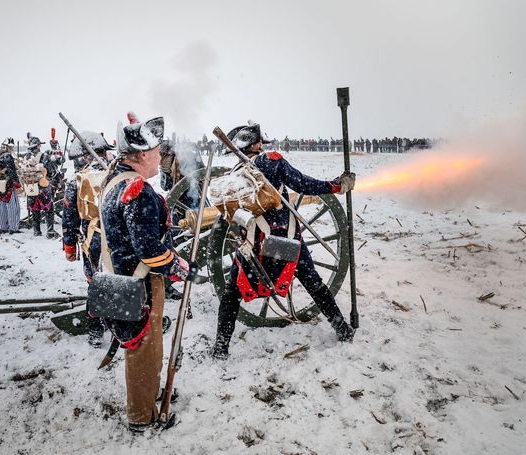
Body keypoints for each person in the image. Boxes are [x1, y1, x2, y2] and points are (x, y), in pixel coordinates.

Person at [211, 123, 356, 360]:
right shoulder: (272, 161)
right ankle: (342, 329)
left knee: (231, 294)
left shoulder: (234, 176)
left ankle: (220, 347)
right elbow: (302, 184)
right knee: (314, 284)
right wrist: (336, 186)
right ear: (257, 144)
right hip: (282, 240)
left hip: (253, 244)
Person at [98, 116, 188, 432]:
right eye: (155, 151)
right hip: (140, 283)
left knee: (146, 348)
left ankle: (149, 394)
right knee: (143, 351)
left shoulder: (114, 180)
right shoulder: (138, 191)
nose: (160, 155)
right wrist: (177, 267)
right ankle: (141, 417)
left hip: (118, 278)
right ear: (140, 156)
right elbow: (149, 250)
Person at [62, 133, 118, 346]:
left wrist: (69, 245)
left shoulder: (75, 180)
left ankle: (96, 330)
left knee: (95, 283)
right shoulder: (118, 174)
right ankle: (122, 327)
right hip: (116, 235)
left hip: (92, 237)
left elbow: (69, 216)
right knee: (123, 279)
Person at [25, 133, 57, 238]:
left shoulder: (26, 157)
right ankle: (50, 232)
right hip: (43, 187)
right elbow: (52, 173)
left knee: (35, 210)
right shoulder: (44, 156)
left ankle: (37, 231)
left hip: (31, 188)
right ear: (38, 146)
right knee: (49, 210)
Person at [0, 138, 22, 234]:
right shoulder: (7, 156)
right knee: (13, 207)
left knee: (2, 206)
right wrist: (17, 184)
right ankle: (13, 228)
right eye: (11, 146)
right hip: (7, 184)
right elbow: (12, 172)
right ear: (8, 146)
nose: (13, 148)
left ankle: (3, 227)